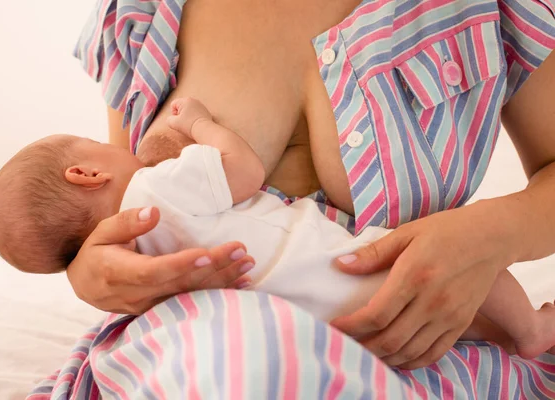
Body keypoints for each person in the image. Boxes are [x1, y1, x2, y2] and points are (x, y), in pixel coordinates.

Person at [30, 0, 555, 397]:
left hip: (418, 352)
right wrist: (87, 271)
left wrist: (492, 232)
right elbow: (114, 206)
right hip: (194, 353)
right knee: (251, 359)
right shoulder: (143, 14)